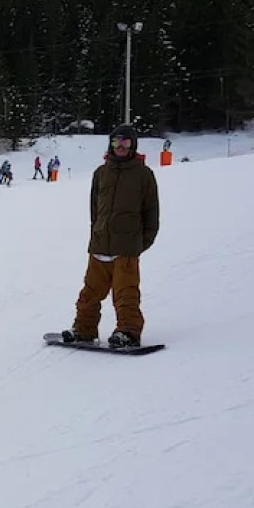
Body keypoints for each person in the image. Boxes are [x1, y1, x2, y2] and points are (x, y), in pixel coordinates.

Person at [62, 123, 160, 348]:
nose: (120, 146)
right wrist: (96, 233)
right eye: (116, 142)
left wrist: (139, 243)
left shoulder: (143, 175)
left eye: (125, 142)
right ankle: (83, 329)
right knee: (89, 293)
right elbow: (94, 209)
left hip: (126, 247)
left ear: (133, 145)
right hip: (99, 244)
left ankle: (128, 331)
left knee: (125, 293)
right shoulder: (101, 172)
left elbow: (151, 213)